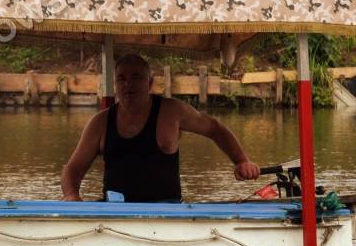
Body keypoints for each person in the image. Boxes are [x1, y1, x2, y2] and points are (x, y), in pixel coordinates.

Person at [61, 53, 260, 203]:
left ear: (149, 83)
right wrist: (71, 196)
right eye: (122, 79)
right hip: (115, 212)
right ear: (115, 84)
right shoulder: (99, 122)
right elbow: (73, 169)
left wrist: (241, 161)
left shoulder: (172, 111)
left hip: (166, 212)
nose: (128, 84)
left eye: (136, 77)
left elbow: (214, 128)